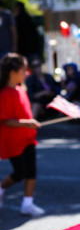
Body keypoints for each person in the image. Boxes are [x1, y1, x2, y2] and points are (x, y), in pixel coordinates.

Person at [0, 53, 44, 216]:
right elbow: (6, 120)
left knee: (31, 171)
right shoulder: (5, 93)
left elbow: (25, 113)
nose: (27, 73)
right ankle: (1, 187)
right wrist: (27, 122)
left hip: (28, 137)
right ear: (13, 72)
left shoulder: (21, 90)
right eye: (24, 70)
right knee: (20, 172)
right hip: (13, 140)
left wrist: (31, 121)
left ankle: (27, 203)